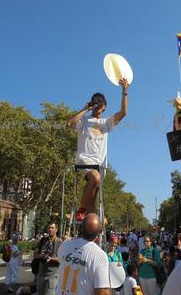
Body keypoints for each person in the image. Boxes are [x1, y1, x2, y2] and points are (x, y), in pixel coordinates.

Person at [66, 78, 129, 223]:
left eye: (100, 101)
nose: (97, 104)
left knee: (93, 202)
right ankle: (80, 211)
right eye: (94, 101)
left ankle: (88, 228)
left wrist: (125, 90)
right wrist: (85, 108)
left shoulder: (106, 123)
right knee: (95, 178)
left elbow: (124, 112)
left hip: (100, 164)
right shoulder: (84, 120)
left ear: (105, 106)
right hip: (84, 159)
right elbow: (69, 124)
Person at [55, 213, 110, 295]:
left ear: (81, 228)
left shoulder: (65, 245)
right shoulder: (99, 255)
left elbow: (60, 261)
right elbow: (102, 292)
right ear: (100, 232)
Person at [33, 223, 62, 295]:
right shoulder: (43, 240)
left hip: (52, 275)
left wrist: (51, 259)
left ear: (56, 230)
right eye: (49, 228)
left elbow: (62, 259)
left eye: (52, 228)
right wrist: (41, 256)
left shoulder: (60, 242)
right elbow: (35, 254)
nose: (50, 229)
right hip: (41, 274)